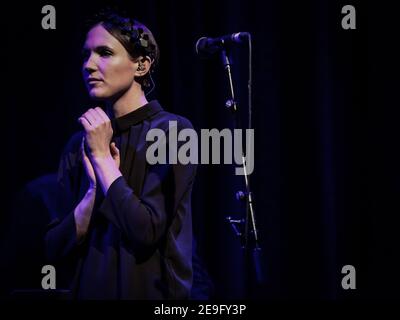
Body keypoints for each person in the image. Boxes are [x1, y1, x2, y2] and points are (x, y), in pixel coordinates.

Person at [44, 10, 197, 299]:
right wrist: (92, 192)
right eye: (85, 55)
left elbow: (146, 230)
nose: (88, 65)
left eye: (104, 53)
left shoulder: (174, 131)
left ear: (140, 65)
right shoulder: (78, 143)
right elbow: (54, 248)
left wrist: (102, 160)